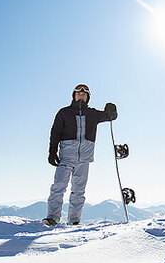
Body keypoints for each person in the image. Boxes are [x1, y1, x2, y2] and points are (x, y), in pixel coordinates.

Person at [42, 84, 117, 226]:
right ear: (74, 96)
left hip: (84, 158)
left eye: (84, 94)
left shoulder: (93, 114)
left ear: (88, 97)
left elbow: (110, 117)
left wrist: (112, 110)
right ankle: (53, 217)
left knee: (79, 191)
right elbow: (55, 132)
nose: (81, 95)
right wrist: (52, 151)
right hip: (66, 156)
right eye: (78, 93)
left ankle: (74, 220)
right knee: (59, 186)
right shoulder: (64, 113)